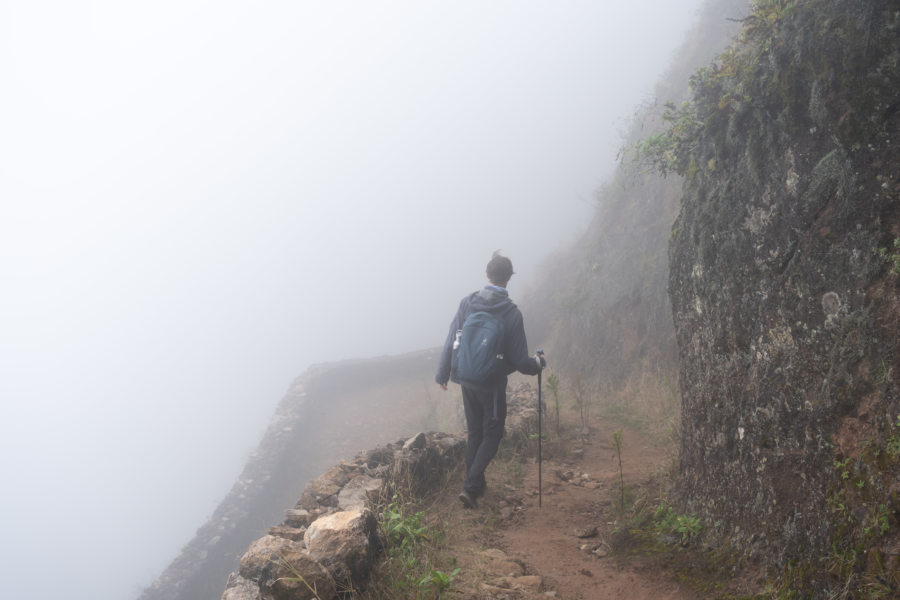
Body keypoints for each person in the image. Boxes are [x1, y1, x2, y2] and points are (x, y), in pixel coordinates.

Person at [435, 252, 544, 509]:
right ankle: (471, 485)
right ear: (508, 279)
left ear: (487, 275)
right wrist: (538, 365)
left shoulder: (467, 303)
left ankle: (473, 487)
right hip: (492, 384)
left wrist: (442, 374)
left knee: (475, 432)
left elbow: (452, 339)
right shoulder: (511, 314)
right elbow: (519, 360)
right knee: (493, 433)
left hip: (466, 379)